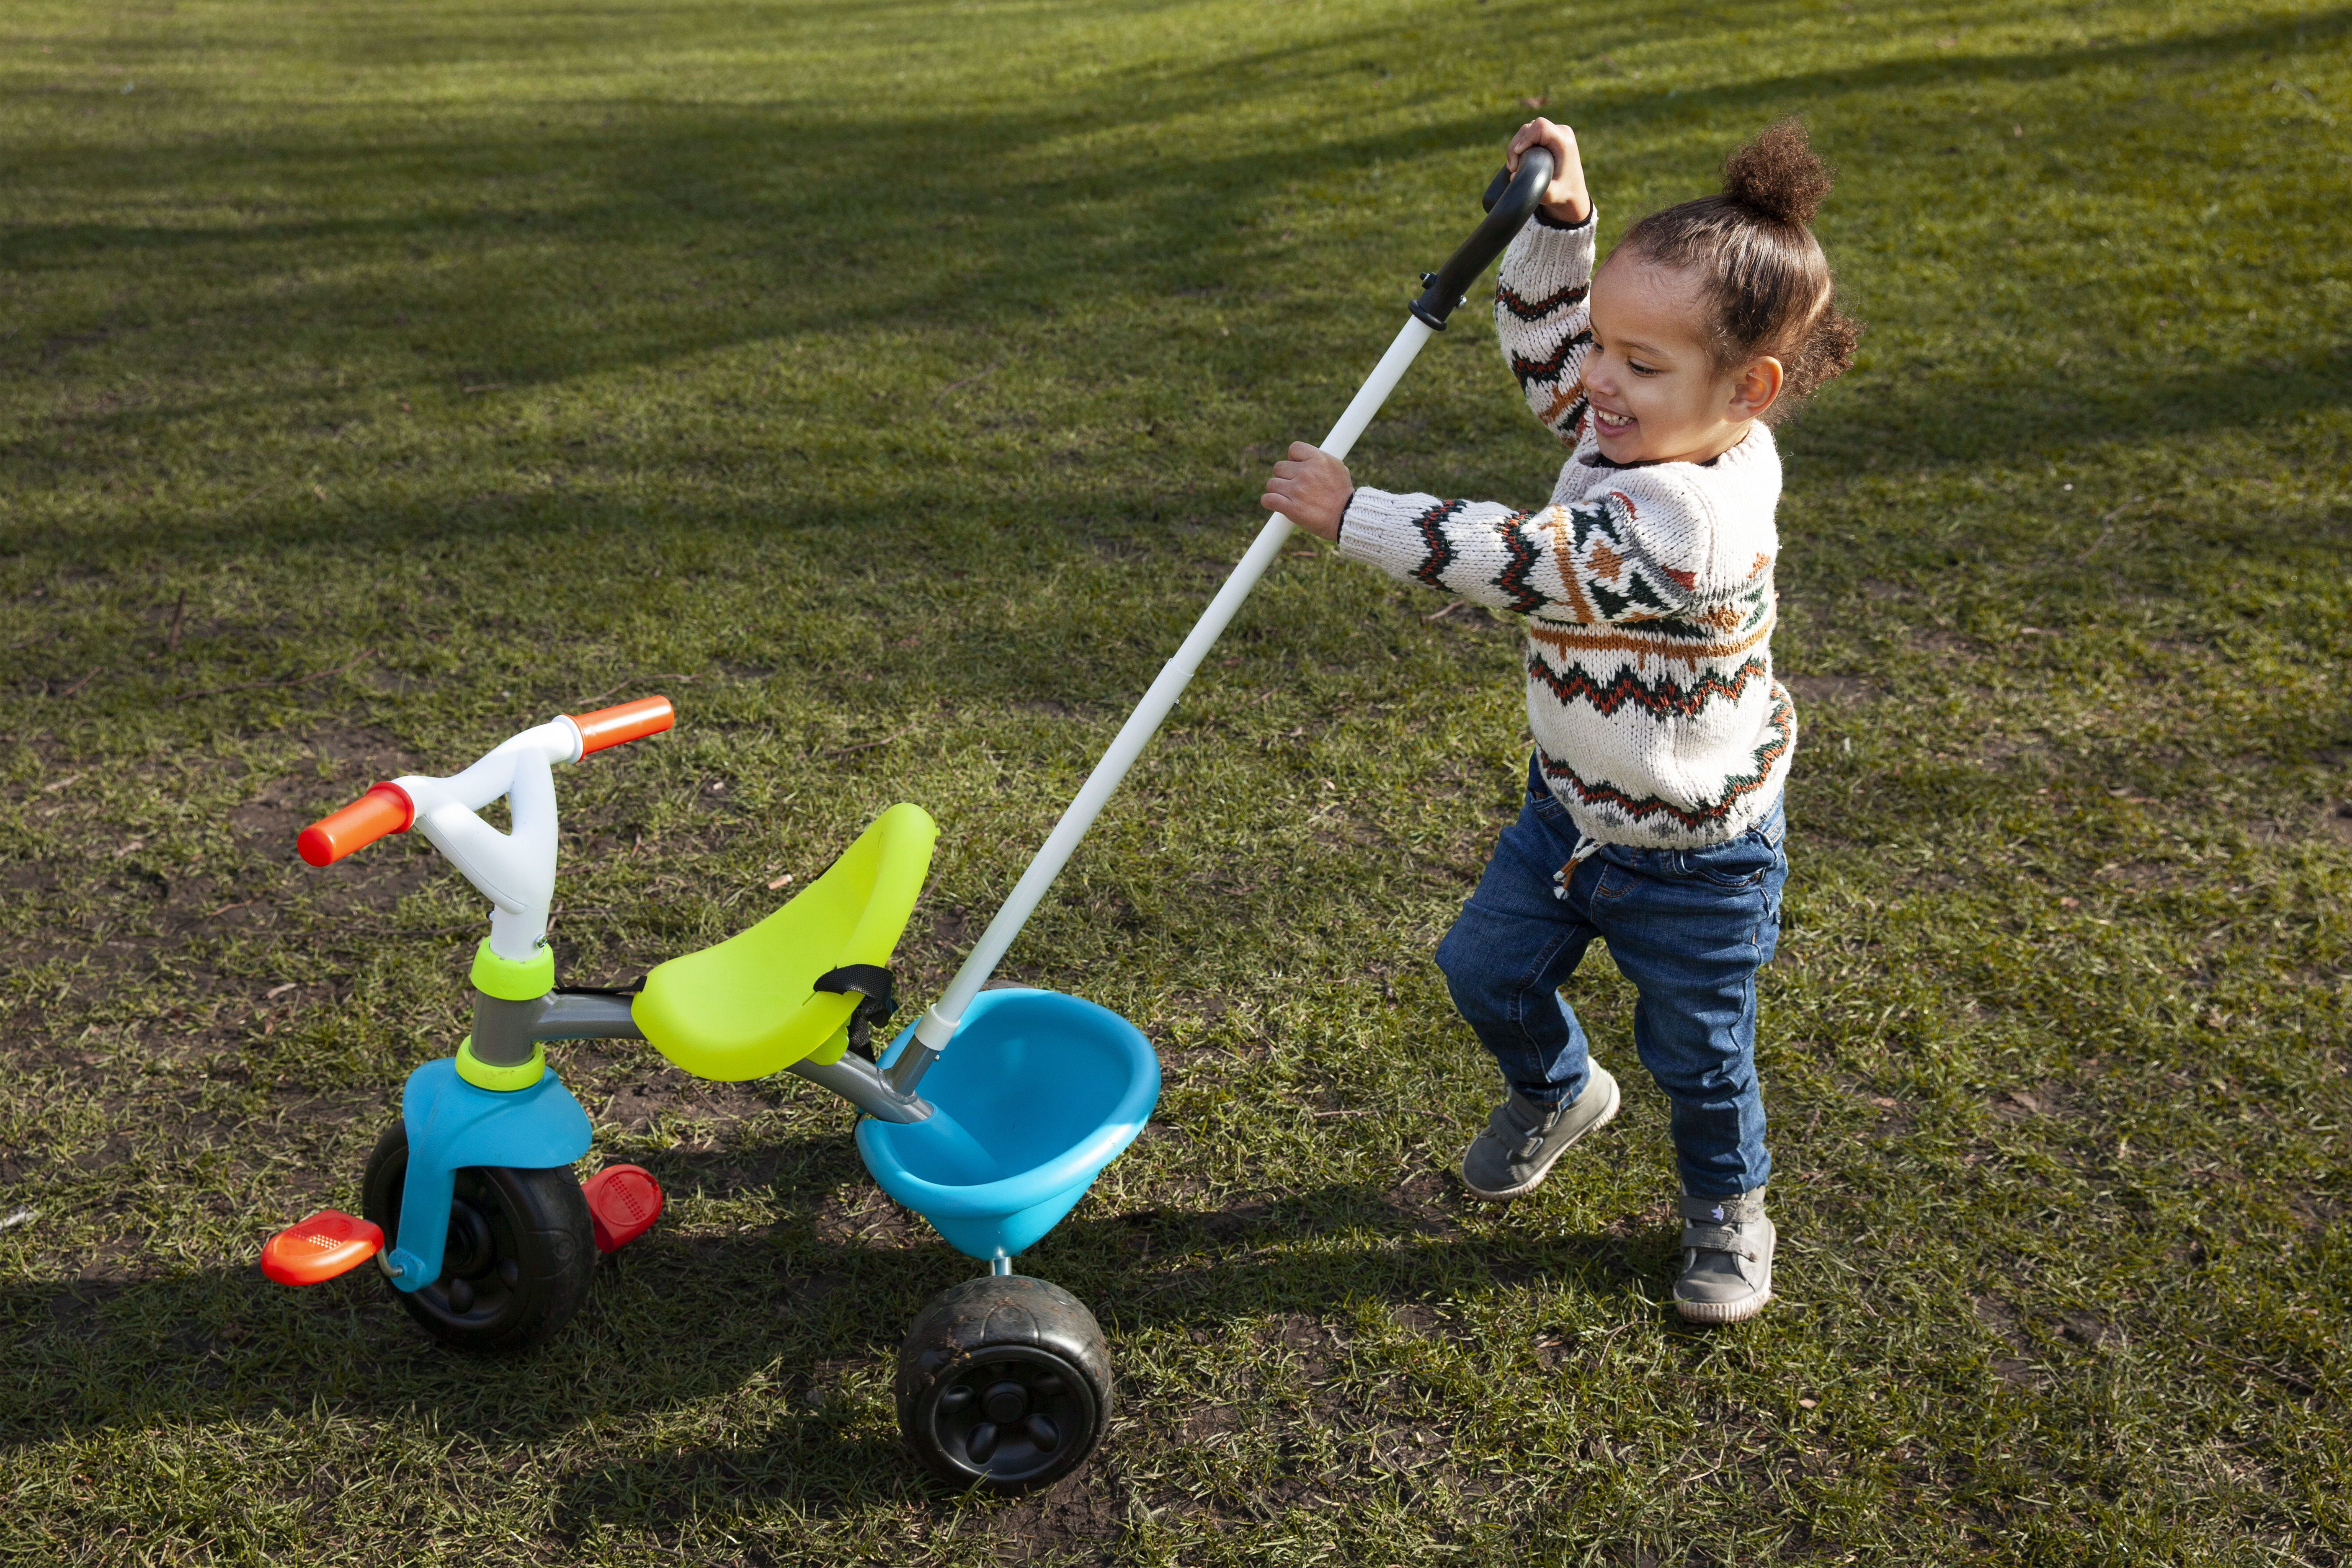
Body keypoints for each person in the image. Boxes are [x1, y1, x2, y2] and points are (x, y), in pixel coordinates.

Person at [1259, 117, 1859, 1323]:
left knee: (1699, 1056)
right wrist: (1561, 223)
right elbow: (1547, 351)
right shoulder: (1641, 417)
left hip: (1696, 855)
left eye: (1641, 364)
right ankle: (1558, 1089)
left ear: (1749, 391)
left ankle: (1727, 1208)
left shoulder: (1693, 523)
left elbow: (1529, 559)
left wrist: (1356, 515)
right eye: (1605, 347)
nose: (1598, 383)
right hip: (1571, 813)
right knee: (1484, 971)